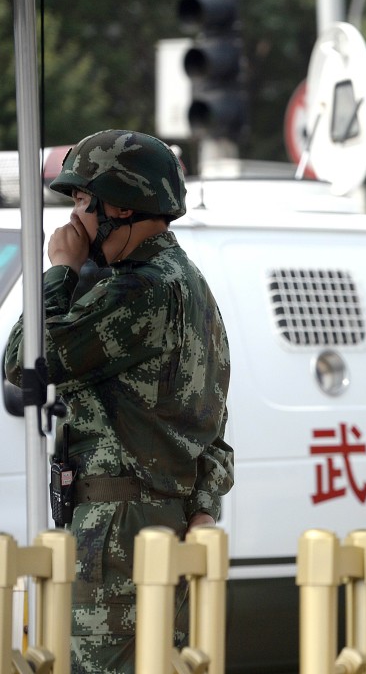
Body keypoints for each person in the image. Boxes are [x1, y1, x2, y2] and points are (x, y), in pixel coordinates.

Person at [4, 129, 233, 673]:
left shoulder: (139, 291)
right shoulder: (191, 287)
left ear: (121, 207)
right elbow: (212, 430)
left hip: (116, 531)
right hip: (156, 523)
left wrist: (60, 269)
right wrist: (202, 505)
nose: (74, 219)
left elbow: (23, 358)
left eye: (83, 201)